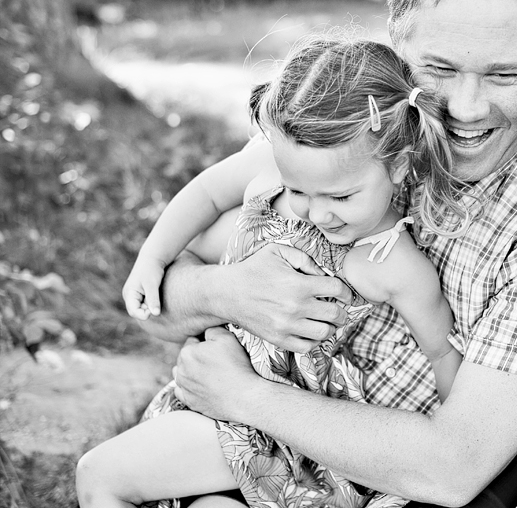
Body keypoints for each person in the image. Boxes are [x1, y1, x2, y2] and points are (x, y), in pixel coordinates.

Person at [125, 0, 517, 508]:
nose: (467, 110)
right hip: (263, 445)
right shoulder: (345, 138)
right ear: (395, 52)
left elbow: (452, 468)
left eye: (504, 75)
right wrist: (230, 293)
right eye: (441, 70)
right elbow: (151, 306)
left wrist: (243, 396)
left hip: (393, 484)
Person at [76, 37, 469, 508]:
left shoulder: (393, 264)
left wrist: (456, 442)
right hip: (213, 390)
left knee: (100, 475)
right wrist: (152, 258)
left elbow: (442, 352)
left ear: (400, 166)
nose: (316, 213)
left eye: (341, 197)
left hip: (277, 429)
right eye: (297, 189)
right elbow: (205, 193)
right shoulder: (268, 172)